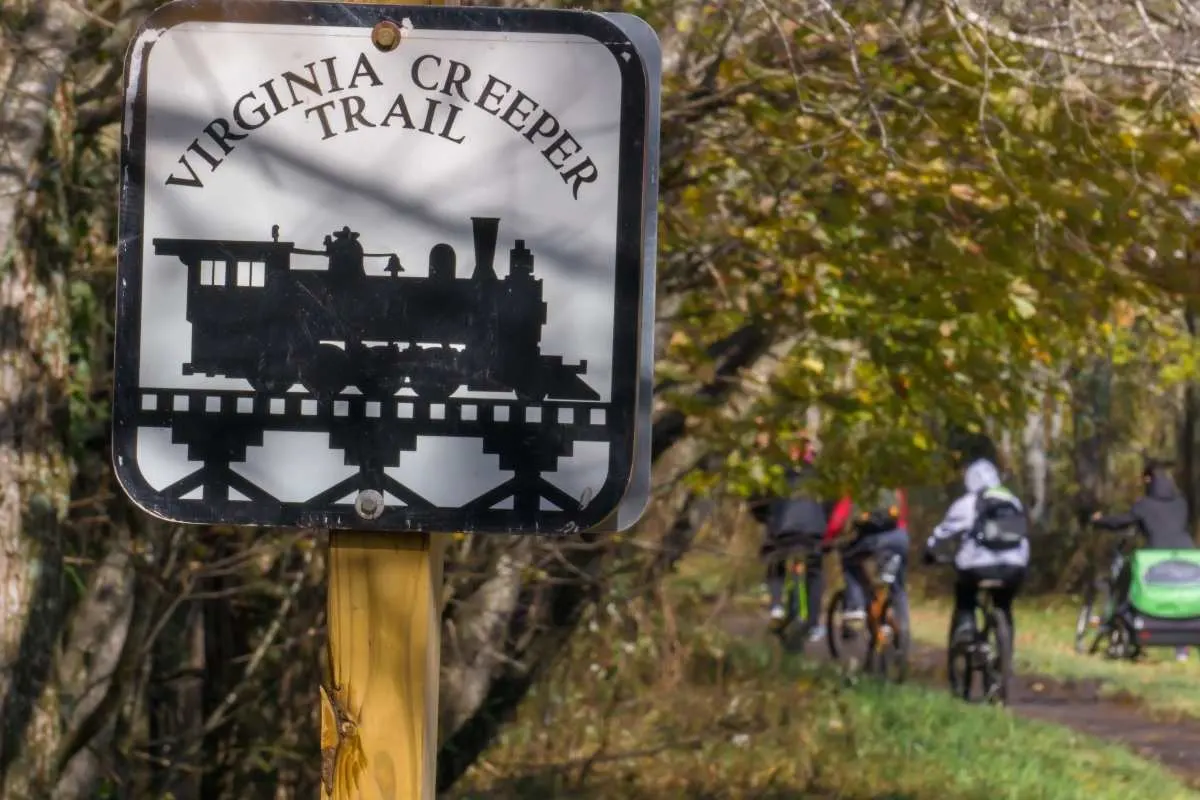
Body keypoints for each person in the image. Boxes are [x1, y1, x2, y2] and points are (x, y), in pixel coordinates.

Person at [1091, 460, 1195, 661]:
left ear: (1148, 480)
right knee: (1182, 599)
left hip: (1156, 557)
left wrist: (1099, 520)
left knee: (1128, 583)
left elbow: (1123, 521)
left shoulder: (1144, 505)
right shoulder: (1181, 502)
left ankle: (1122, 622)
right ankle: (1182, 650)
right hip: (1186, 556)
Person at [922, 458, 1030, 649]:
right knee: (1003, 604)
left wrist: (930, 550)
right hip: (1014, 566)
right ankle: (1006, 650)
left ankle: (965, 627)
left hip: (977, 567)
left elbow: (944, 532)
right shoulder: (1013, 501)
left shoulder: (967, 503)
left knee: (965, 593)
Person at [751, 441, 848, 642]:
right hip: (814, 531)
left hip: (784, 530)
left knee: (775, 561)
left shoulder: (777, 474)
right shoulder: (822, 477)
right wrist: (826, 529)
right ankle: (813, 624)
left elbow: (758, 501)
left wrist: (766, 519)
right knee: (814, 573)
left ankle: (777, 606)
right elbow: (833, 505)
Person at [837, 488, 911, 638]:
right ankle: (902, 632)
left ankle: (856, 604)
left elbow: (839, 519)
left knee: (849, 558)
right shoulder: (894, 487)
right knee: (897, 587)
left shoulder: (857, 486)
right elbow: (902, 517)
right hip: (900, 539)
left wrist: (829, 539)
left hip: (872, 540)